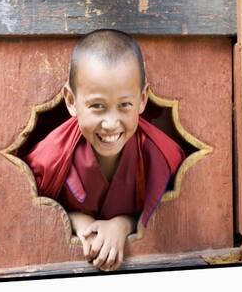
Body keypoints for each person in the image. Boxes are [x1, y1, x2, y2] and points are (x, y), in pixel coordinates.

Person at [24, 30, 185, 271]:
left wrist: (123, 225)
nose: (111, 123)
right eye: (97, 106)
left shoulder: (161, 154)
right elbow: (29, 208)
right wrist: (76, 221)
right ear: (70, 100)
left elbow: (169, 211)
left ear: (142, 99)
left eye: (124, 105)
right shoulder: (50, 157)